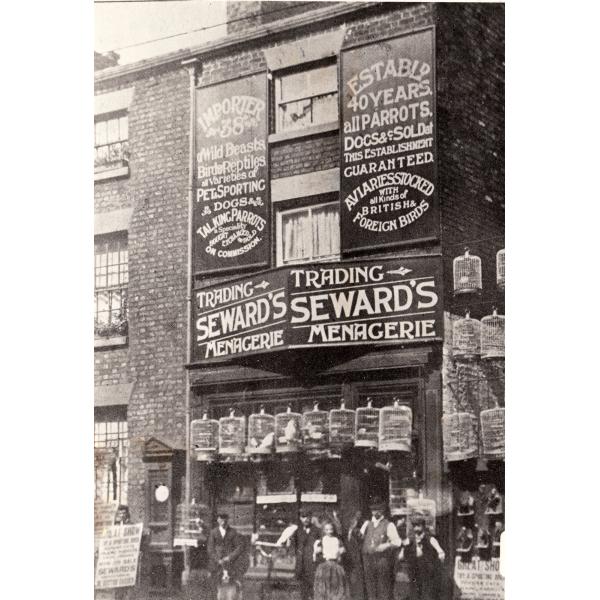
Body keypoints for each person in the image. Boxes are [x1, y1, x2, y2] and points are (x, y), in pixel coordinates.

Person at [359, 498, 402, 600]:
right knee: (370, 587)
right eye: (373, 509)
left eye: (379, 509)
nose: (376, 512)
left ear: (383, 510)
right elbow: (359, 538)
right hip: (368, 560)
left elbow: (398, 542)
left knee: (383, 587)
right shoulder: (367, 524)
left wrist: (386, 545)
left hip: (382, 561)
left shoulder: (388, 524)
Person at [276, 507, 321, 600]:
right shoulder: (297, 531)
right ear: (300, 518)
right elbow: (292, 545)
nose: (306, 519)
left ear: (311, 517)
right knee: (302, 590)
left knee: (313, 588)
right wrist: (287, 542)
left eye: (308, 517)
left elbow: (321, 544)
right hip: (301, 564)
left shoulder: (316, 530)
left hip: (312, 563)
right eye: (303, 517)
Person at [398, 517, 445, 600]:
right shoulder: (411, 538)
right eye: (414, 526)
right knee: (414, 592)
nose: (416, 528)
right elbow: (403, 550)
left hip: (426, 570)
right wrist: (402, 551)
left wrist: (440, 552)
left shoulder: (429, 538)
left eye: (418, 526)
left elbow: (438, 548)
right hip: (414, 570)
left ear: (423, 526)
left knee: (427, 592)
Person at [207, 513, 246, 599]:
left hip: (230, 564)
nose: (223, 522)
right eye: (221, 519)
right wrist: (218, 560)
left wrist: (229, 557)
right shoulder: (213, 532)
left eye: (225, 519)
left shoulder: (233, 532)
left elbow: (239, 547)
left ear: (228, 520)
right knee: (215, 587)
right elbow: (210, 549)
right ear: (218, 520)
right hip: (216, 564)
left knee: (231, 587)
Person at [313, 520, 349, 600]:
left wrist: (340, 553)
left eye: (331, 529)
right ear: (324, 530)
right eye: (327, 530)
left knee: (336, 586)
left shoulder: (337, 540)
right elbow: (317, 552)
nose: (329, 531)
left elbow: (342, 550)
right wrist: (318, 551)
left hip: (336, 565)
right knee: (324, 587)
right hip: (325, 565)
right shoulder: (322, 540)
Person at [346, 511, 366, 600]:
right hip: (352, 560)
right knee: (354, 580)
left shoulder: (355, 531)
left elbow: (360, 544)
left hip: (356, 559)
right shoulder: (350, 532)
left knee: (357, 580)